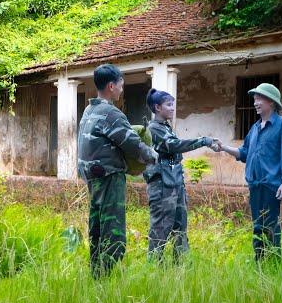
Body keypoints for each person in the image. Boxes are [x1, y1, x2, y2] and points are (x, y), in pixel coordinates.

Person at [77, 64, 158, 278]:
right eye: (121, 86)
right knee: (113, 230)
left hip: (92, 179)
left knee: (96, 227)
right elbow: (132, 144)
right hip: (109, 178)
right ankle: (107, 277)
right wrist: (152, 155)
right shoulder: (111, 113)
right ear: (111, 86)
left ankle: (96, 273)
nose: (122, 90)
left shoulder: (89, 110)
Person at [214, 83, 282, 262]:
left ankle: (274, 263)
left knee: (270, 226)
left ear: (272, 102)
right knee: (258, 226)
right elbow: (243, 153)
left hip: (271, 186)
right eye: (254, 98)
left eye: (259, 98)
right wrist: (224, 147)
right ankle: (259, 262)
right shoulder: (255, 128)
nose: (255, 102)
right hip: (255, 184)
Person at [144, 88, 219, 264]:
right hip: (162, 186)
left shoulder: (165, 127)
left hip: (174, 183)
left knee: (180, 227)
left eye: (173, 104)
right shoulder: (154, 129)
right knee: (160, 228)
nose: (172, 108)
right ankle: (155, 268)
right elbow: (174, 146)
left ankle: (181, 267)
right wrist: (204, 141)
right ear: (157, 107)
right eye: (168, 105)